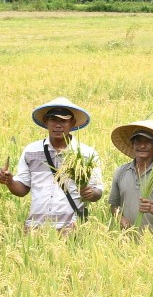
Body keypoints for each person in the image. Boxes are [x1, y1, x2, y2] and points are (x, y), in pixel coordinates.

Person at [1, 97, 103, 231]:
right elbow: (22, 189)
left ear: (72, 123)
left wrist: (91, 193)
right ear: (45, 121)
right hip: (35, 227)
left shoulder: (87, 154)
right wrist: (9, 181)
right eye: (53, 119)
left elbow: (98, 190)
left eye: (63, 120)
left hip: (71, 227)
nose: (58, 125)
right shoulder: (31, 151)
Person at [107, 119, 153, 232]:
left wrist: (151, 208)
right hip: (127, 240)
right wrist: (120, 218)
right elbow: (114, 205)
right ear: (132, 144)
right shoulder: (121, 171)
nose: (142, 146)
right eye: (138, 141)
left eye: (148, 142)